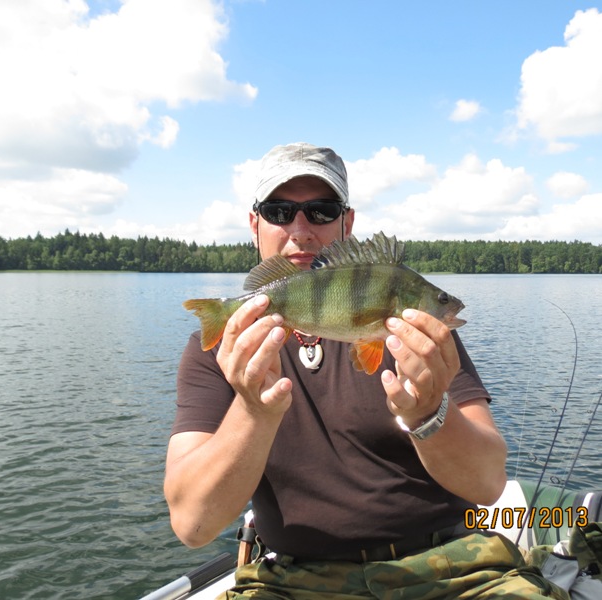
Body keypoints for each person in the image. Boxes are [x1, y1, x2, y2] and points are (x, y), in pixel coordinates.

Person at [164, 143, 568, 599]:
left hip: (452, 570)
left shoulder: (421, 338)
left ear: (347, 222)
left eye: (321, 211)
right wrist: (254, 410)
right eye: (279, 212)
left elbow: (488, 484)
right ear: (255, 224)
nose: (300, 230)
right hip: (293, 583)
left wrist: (428, 414)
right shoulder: (220, 349)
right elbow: (193, 525)